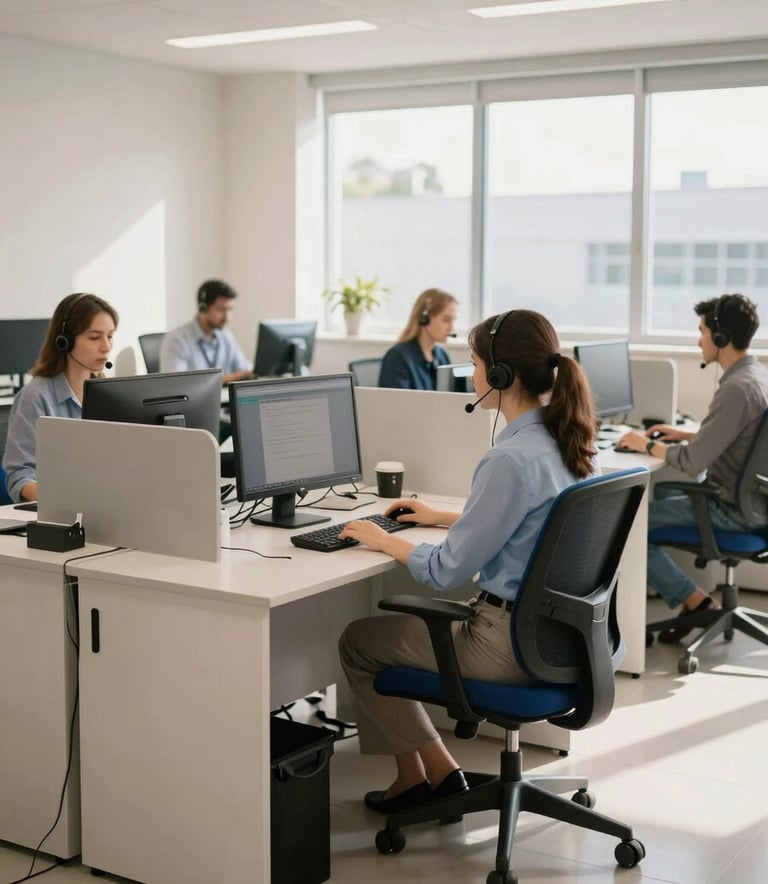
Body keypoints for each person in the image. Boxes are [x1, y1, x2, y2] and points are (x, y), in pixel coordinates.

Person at [338, 309, 598, 814]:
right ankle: (431, 773)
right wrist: (445, 516)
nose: (472, 376)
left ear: (500, 375)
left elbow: (445, 572)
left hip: (504, 646)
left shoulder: (509, 459)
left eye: (476, 364)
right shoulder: (570, 441)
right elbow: (538, 523)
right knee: (376, 632)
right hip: (565, 640)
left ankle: (422, 775)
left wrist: (383, 539)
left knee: (359, 641)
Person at [618, 293, 768, 642]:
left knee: (625, 529)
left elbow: (690, 462)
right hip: (755, 504)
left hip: (730, 510)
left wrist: (646, 444)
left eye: (701, 331)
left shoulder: (735, 388)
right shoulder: (755, 377)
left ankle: (696, 601)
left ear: (720, 338)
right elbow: (738, 435)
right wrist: (686, 433)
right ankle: (692, 603)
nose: (698, 339)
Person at [2, 292, 119, 503]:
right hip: (60, 517)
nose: (106, 347)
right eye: (94, 337)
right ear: (64, 341)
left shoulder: (111, 395)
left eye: (110, 336)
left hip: (105, 508)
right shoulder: (35, 398)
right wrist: (69, 501)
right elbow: (20, 477)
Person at [159, 279, 252, 384]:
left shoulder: (226, 336)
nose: (227, 317)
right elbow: (176, 383)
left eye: (230, 309)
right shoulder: (176, 339)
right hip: (193, 400)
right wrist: (229, 378)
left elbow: (245, 370)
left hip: (223, 399)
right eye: (220, 310)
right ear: (203, 308)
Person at [378, 288, 458, 389]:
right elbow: (396, 403)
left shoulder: (442, 356)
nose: (452, 328)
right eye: (446, 320)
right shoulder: (397, 357)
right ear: (424, 318)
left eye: (453, 320)